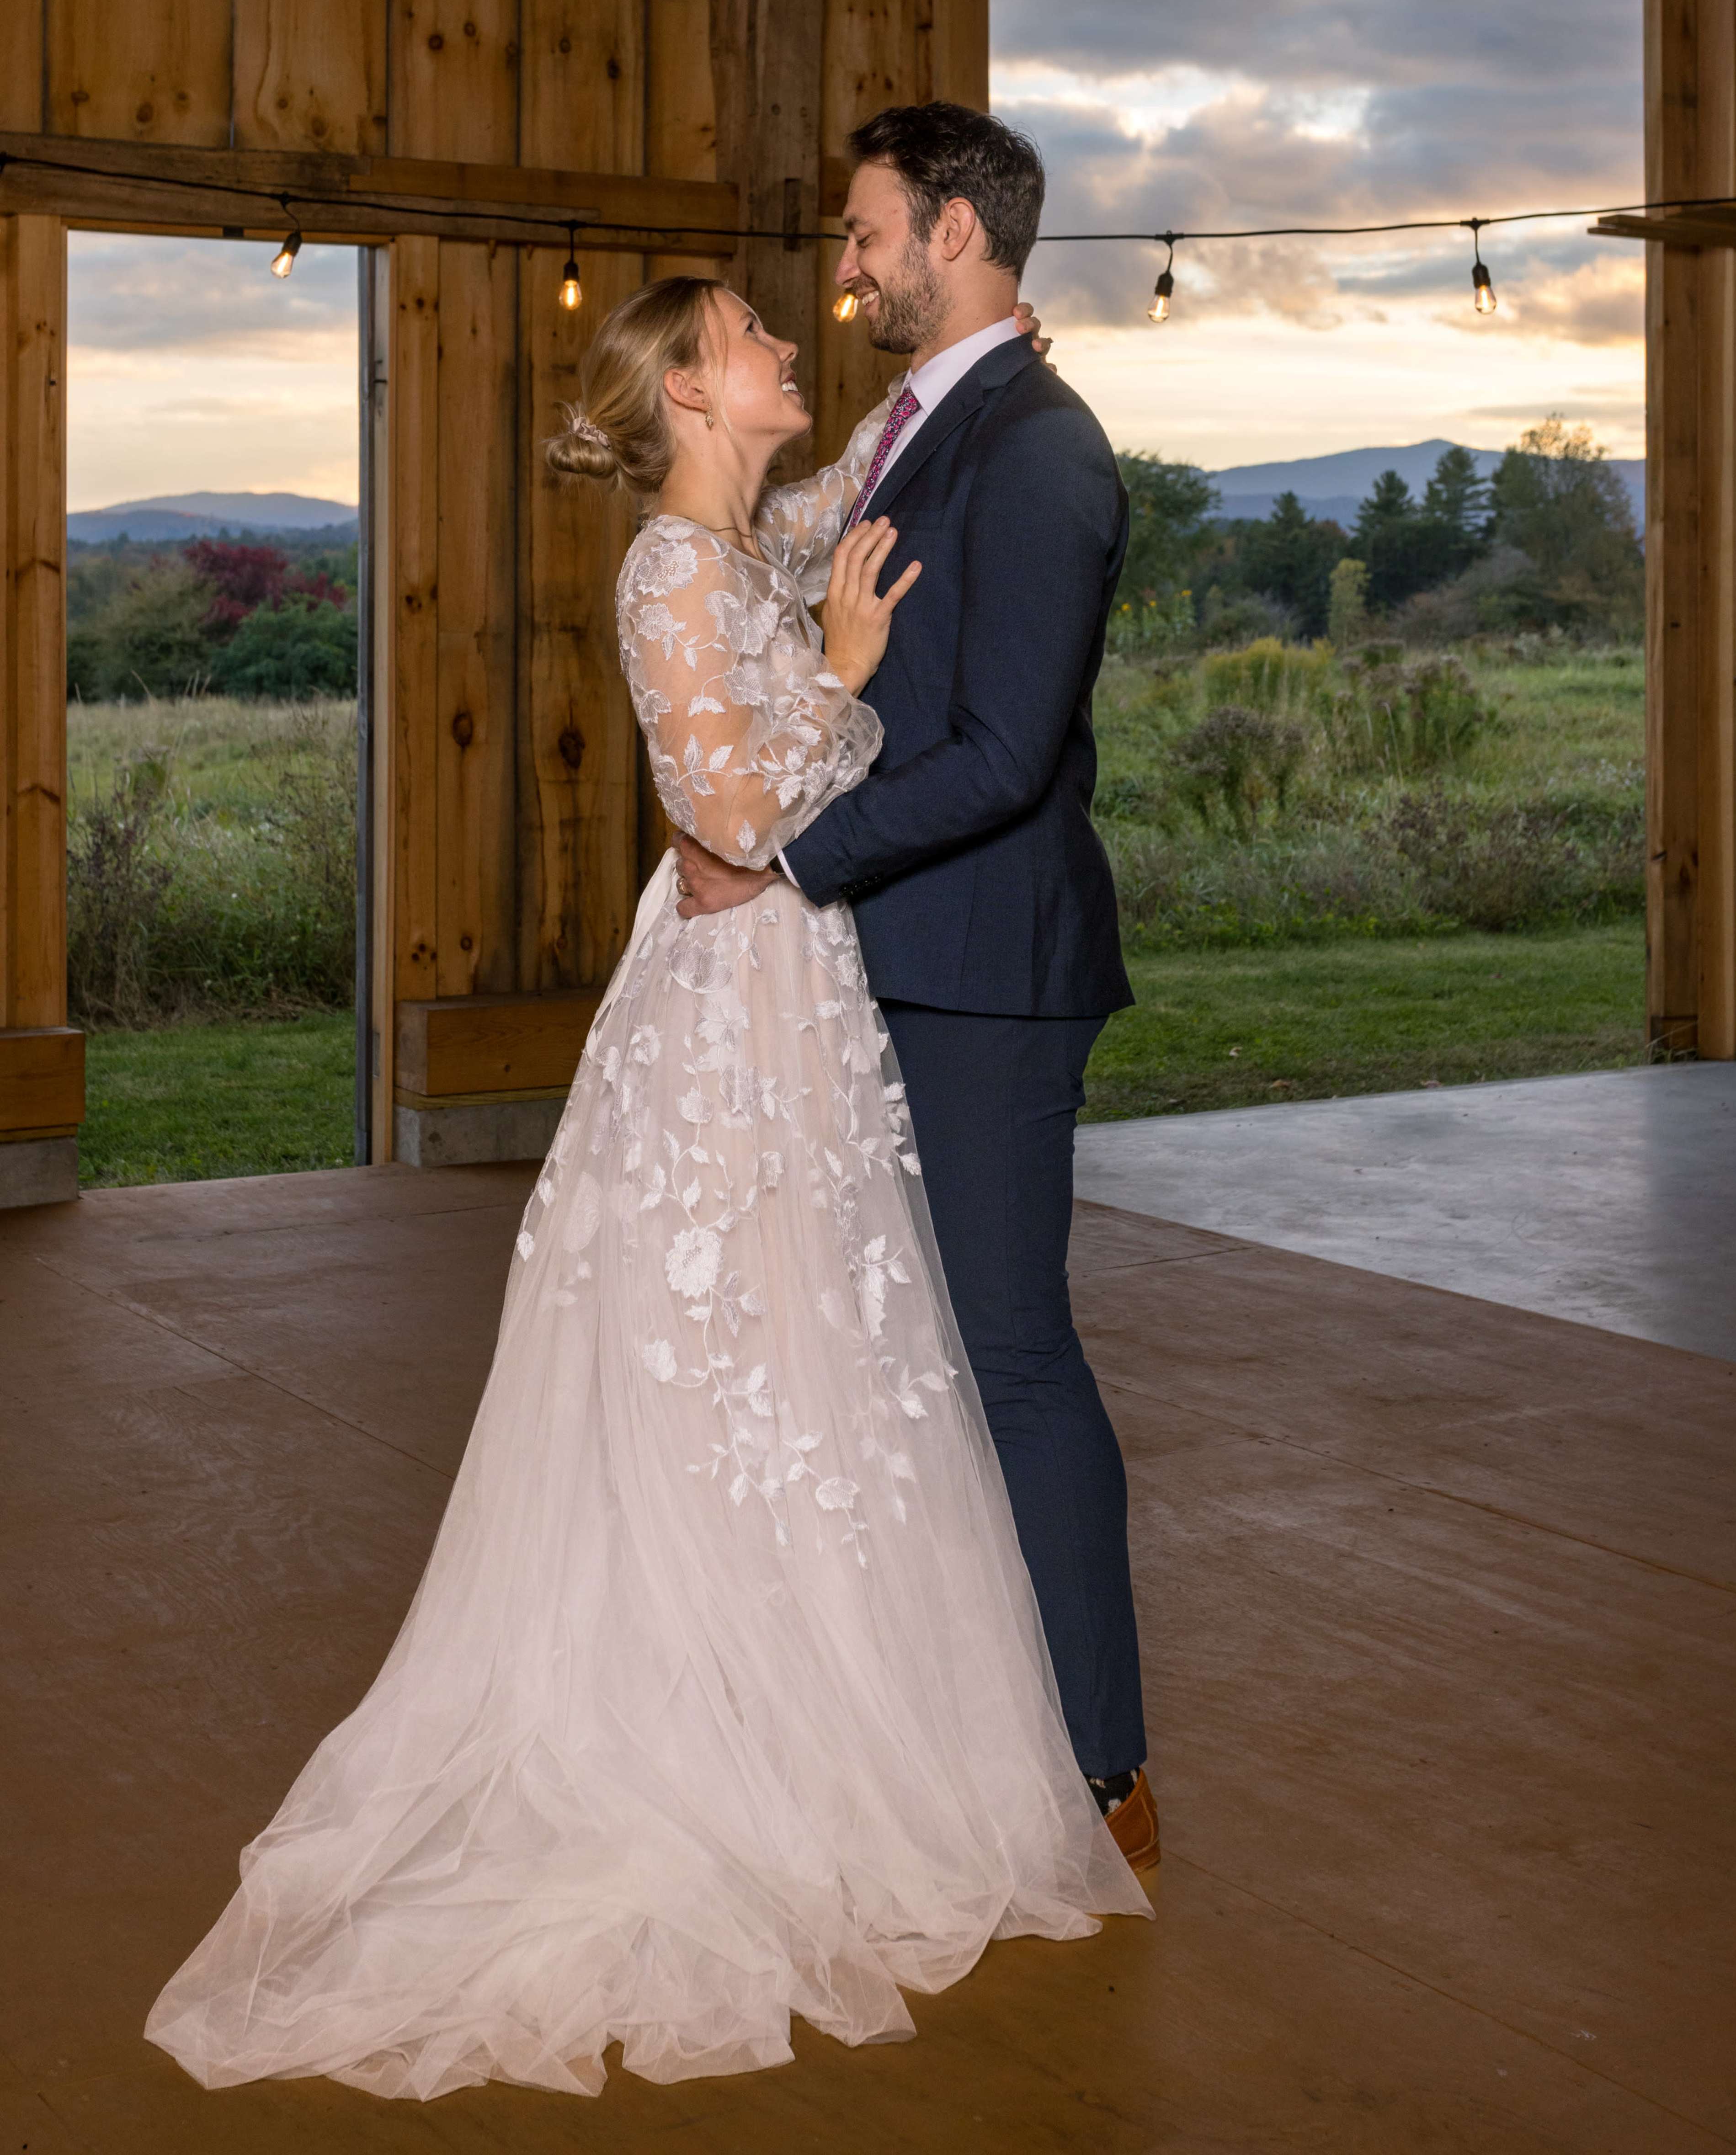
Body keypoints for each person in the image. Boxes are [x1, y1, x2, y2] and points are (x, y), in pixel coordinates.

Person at [144, 270, 1148, 2107]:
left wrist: (981, 316)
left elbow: (881, 451)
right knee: (723, 1367)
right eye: (760, 334)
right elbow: (722, 821)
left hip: (802, 1002)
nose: (796, 339)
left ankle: (830, 1741)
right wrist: (840, 678)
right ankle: (695, 1765)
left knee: (822, 1363)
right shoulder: (675, 575)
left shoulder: (759, 532)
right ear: (691, 388)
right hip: (723, 1022)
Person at [673, 103, 1154, 1865]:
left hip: (983, 971)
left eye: (870, 232)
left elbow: (1004, 755)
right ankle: (949, 1731)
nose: (850, 265)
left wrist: (788, 860)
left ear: (954, 231)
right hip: (888, 955)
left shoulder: (1037, 451)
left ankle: (1105, 1768)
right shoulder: (914, 430)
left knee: (1011, 1354)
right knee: (904, 1363)